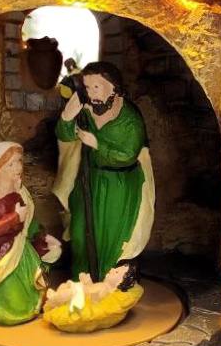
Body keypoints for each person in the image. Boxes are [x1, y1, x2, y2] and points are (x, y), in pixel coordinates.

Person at [54, 61, 154, 284]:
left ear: (114, 87)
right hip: (89, 179)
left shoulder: (130, 117)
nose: (91, 94)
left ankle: (109, 284)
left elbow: (127, 154)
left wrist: (97, 144)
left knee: (111, 234)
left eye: (96, 87)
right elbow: (65, 134)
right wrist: (68, 115)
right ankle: (82, 284)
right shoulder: (86, 109)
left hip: (119, 185)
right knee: (80, 234)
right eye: (88, 88)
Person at [0, 141, 61, 325]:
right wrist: (14, 217)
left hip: (20, 249)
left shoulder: (20, 191)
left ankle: (30, 302)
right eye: (11, 164)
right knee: (13, 305)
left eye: (19, 161)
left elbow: (28, 222)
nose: (18, 167)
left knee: (33, 291)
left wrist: (42, 237)